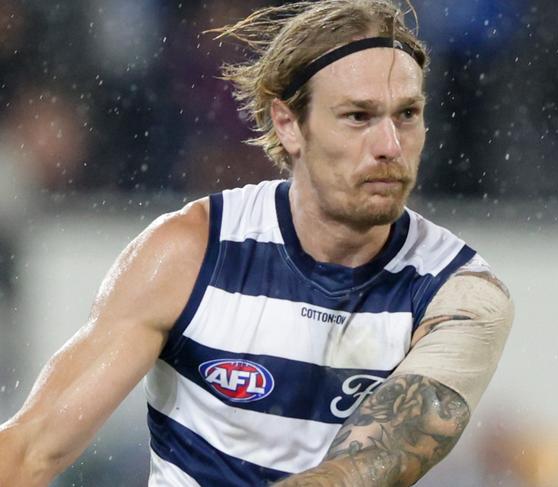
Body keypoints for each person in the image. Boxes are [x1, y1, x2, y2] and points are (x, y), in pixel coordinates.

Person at [0, 1, 514, 485]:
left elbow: (366, 466)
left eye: (406, 114)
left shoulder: (459, 295)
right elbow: (32, 447)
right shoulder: (191, 251)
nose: (390, 146)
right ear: (288, 124)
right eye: (358, 116)